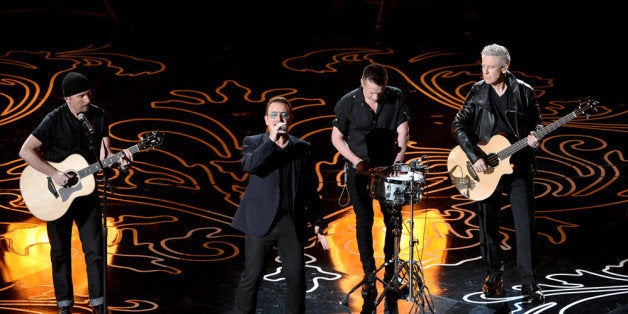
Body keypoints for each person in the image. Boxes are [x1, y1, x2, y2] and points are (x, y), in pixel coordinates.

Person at [19, 71, 133, 314]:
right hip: (56, 196)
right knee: (59, 253)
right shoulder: (54, 119)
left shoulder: (98, 116)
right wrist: (53, 174)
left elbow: (104, 155)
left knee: (95, 250)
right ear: (67, 98)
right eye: (81, 95)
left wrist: (120, 162)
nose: (87, 99)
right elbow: (26, 151)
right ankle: (64, 306)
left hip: (87, 194)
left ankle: (99, 304)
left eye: (88, 93)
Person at [451, 43, 545, 303]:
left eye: (491, 67)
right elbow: (458, 124)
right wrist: (475, 156)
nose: (485, 71)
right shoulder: (478, 91)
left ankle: (529, 282)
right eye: (483, 66)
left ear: (505, 67)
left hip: (518, 166)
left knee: (525, 224)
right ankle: (494, 274)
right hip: (487, 167)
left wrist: (536, 136)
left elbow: (537, 122)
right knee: (487, 224)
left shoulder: (524, 92)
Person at [231, 96, 330, 314]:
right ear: (267, 120)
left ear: (290, 118)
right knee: (252, 277)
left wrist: (317, 221)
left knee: (296, 278)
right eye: (274, 115)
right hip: (260, 221)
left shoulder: (302, 148)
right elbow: (249, 166)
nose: (279, 118)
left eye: (284, 114)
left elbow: (310, 189)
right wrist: (271, 142)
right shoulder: (254, 142)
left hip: (289, 222)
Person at [331, 63, 410, 313]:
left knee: (393, 219)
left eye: (379, 92)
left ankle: (391, 272)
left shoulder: (395, 96)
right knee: (364, 220)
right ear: (363, 83)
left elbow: (403, 130)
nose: (376, 97)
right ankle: (368, 275)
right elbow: (336, 136)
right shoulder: (348, 102)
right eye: (371, 92)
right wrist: (356, 161)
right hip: (360, 168)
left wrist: (397, 163)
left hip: (387, 167)